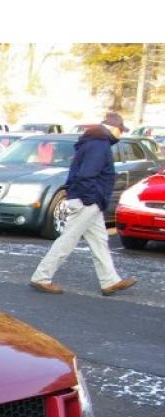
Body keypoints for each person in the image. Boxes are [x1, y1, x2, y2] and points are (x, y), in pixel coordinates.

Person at [30, 112, 137, 297]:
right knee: (68, 240)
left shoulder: (93, 142)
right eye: (121, 129)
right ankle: (41, 277)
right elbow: (87, 175)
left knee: (100, 241)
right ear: (113, 128)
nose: (122, 134)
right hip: (87, 201)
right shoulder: (99, 145)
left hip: (88, 200)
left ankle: (109, 281)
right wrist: (91, 199)